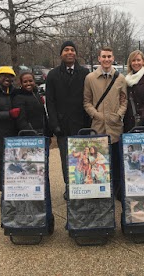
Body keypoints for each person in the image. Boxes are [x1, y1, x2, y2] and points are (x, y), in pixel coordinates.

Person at [45, 41, 90, 197]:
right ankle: (69, 185)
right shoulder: (53, 75)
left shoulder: (85, 73)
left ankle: (83, 184)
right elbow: (50, 102)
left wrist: (89, 123)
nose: (69, 52)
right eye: (66, 50)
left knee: (83, 157)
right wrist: (54, 124)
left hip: (81, 124)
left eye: (72, 49)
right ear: (61, 54)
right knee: (66, 158)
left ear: (76, 53)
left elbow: (89, 98)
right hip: (62, 125)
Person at [84, 46, 127, 200]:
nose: (107, 59)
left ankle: (117, 190)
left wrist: (119, 114)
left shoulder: (120, 78)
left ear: (113, 58)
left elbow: (124, 100)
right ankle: (101, 191)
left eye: (109, 56)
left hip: (115, 127)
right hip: (98, 127)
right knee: (98, 163)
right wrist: (97, 115)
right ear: (99, 58)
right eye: (104, 56)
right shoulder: (90, 78)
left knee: (116, 162)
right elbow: (87, 102)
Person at [123, 50, 144, 132]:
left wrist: (142, 120)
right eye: (133, 60)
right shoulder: (127, 79)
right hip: (129, 120)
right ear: (130, 63)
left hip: (143, 121)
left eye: (138, 60)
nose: (136, 63)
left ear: (143, 61)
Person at [13, 71, 49, 136]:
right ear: (21, 83)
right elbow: (21, 120)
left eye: (30, 81)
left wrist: (48, 132)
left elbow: (43, 114)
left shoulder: (37, 95)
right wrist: (31, 133)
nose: (28, 83)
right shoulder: (18, 97)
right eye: (25, 82)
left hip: (42, 132)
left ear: (34, 82)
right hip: (29, 134)